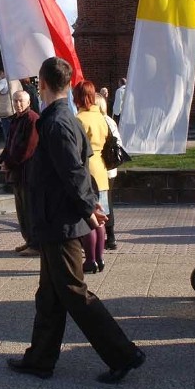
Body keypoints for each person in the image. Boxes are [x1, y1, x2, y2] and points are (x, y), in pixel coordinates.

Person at [7, 57, 144, 384]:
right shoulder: (61, 118)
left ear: (41, 83)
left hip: (61, 222)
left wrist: (89, 207)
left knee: (73, 292)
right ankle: (40, 359)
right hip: (56, 220)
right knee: (50, 295)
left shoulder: (57, 122)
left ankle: (124, 354)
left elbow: (73, 172)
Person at [73, 80, 110, 273]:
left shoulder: (80, 119)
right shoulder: (101, 117)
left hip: (87, 169)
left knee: (88, 218)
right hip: (101, 169)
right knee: (101, 217)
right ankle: (100, 258)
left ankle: (90, 260)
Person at [0, 90, 40, 256]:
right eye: (15, 101)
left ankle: (36, 244)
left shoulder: (32, 119)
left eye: (21, 101)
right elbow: (10, 144)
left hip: (28, 172)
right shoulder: (16, 119)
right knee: (22, 210)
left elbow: (28, 148)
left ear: (28, 102)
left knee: (30, 210)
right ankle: (28, 240)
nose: (18, 104)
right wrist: (2, 159)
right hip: (17, 174)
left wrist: (9, 163)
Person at [94, 95, 119, 250]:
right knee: (106, 202)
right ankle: (110, 236)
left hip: (102, 168)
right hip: (110, 169)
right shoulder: (110, 121)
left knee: (102, 203)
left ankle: (107, 236)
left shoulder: (101, 121)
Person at [0, 70, 23, 142]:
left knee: (8, 137)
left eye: (0, 74)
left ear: (3, 73)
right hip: (18, 110)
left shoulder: (3, 81)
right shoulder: (17, 81)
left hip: (6, 112)